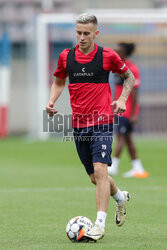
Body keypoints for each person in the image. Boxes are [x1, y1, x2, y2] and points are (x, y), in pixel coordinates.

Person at [46, 14, 135, 242]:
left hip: (103, 121)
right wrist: (52, 101)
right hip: (79, 125)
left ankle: (99, 225)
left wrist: (123, 99)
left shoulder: (107, 56)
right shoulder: (66, 57)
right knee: (95, 178)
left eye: (87, 33)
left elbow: (129, 77)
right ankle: (121, 199)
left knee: (101, 171)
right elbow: (59, 80)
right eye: (78, 33)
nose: (82, 37)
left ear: (96, 33)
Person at [108, 43, 149, 178]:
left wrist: (133, 114)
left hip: (126, 110)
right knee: (128, 138)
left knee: (120, 136)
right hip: (119, 108)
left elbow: (135, 92)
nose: (114, 52)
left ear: (124, 53)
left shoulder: (132, 69)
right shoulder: (117, 68)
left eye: (117, 50)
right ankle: (138, 168)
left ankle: (113, 166)